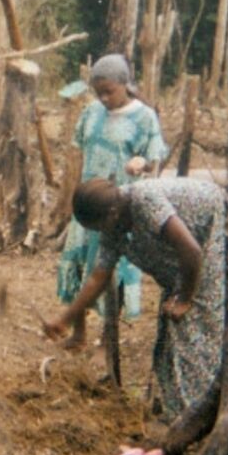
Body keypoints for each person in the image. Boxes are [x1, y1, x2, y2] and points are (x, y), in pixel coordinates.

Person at [44, 177, 226, 423]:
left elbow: (191, 250)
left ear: (111, 213)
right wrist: (65, 320)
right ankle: (178, 414)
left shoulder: (145, 200)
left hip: (211, 231)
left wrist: (185, 299)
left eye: (97, 226)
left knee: (194, 332)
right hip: (187, 261)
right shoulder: (114, 225)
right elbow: (99, 277)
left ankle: (200, 421)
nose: (97, 233)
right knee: (169, 338)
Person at [56, 54, 167, 348]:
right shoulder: (91, 112)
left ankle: (109, 335)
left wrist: (140, 163)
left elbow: (154, 157)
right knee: (81, 263)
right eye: (98, 92)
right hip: (89, 201)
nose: (104, 98)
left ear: (125, 84)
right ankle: (79, 334)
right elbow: (80, 148)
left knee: (110, 270)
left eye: (110, 91)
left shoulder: (144, 117)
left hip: (119, 208)